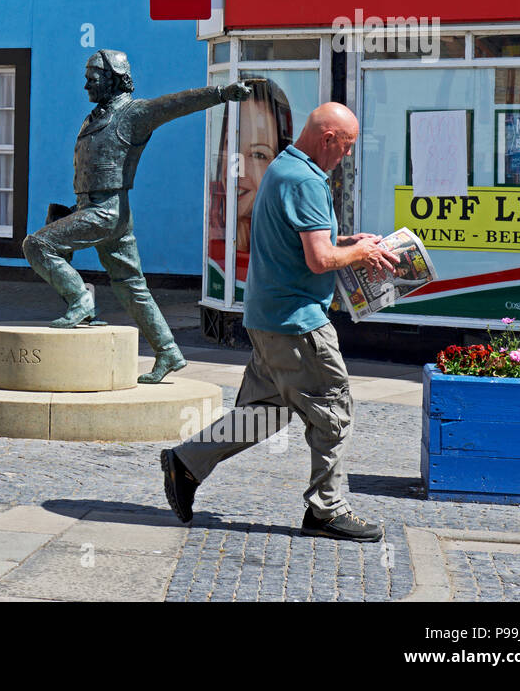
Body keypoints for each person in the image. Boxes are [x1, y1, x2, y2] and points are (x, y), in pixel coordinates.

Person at [161, 102, 400, 542]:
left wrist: (349, 240)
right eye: (345, 148)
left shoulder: (283, 166)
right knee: (334, 409)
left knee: (263, 414)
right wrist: (360, 253)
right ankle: (327, 509)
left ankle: (186, 463)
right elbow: (320, 259)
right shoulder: (306, 180)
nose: (346, 157)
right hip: (297, 322)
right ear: (328, 139)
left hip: (268, 317)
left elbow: (305, 241)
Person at [21, 50, 253, 383]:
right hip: (97, 210)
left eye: (93, 76)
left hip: (106, 212)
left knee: (37, 246)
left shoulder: (133, 114)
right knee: (132, 287)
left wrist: (221, 93)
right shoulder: (95, 117)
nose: (86, 82)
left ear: (114, 79)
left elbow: (174, 104)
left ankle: (80, 300)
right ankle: (168, 351)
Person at [208, 78, 293, 288]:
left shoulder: (283, 246)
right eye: (231, 145)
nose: (239, 171)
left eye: (258, 154)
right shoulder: (214, 246)